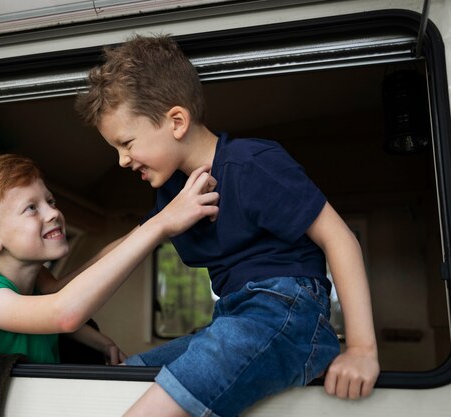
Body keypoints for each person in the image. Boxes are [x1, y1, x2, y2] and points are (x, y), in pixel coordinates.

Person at [74, 34, 380, 417]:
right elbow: (131, 242)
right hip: (233, 316)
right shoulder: (174, 192)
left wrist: (362, 349)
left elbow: (340, 239)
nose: (121, 161)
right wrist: (58, 286)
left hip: (285, 312)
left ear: (176, 121)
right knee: (128, 376)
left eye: (127, 143)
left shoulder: (252, 164)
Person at [0, 153, 219, 366]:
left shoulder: (37, 280)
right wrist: (161, 226)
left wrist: (99, 342)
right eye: (31, 208)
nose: (52, 213)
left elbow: (57, 293)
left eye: (50, 201)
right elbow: (61, 315)